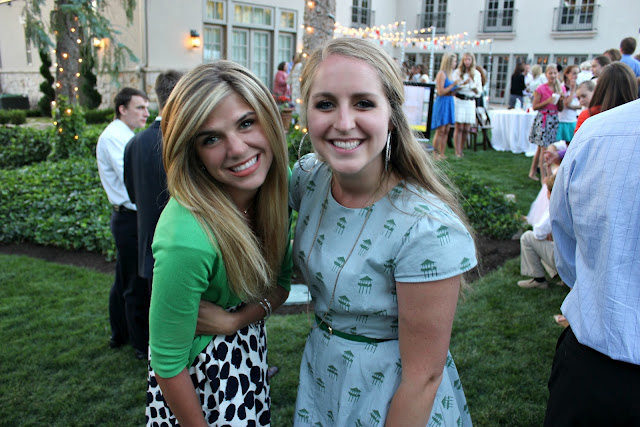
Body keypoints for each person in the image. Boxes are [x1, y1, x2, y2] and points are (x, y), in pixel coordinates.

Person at [292, 37, 477, 426]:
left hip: (393, 395)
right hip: (322, 376)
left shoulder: (427, 229)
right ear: (306, 111)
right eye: (325, 104)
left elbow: (423, 378)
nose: (344, 122)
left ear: (391, 115)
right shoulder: (308, 178)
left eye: (363, 103)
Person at [146, 61, 292, 425]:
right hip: (200, 386)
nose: (238, 149)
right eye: (211, 138)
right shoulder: (187, 239)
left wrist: (233, 322)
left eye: (246, 123)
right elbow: (167, 363)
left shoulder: (278, 189)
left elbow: (281, 286)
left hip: (248, 359)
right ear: (191, 151)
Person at [543, 98, 640, 427]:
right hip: (591, 362)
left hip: (589, 368)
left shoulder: (596, 133)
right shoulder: (595, 132)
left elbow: (566, 248)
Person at [96, 87, 150, 360]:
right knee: (135, 284)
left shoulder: (125, 135)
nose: (146, 113)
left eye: (147, 107)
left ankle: (119, 334)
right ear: (122, 109)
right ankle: (140, 345)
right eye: (140, 107)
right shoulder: (114, 138)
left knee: (123, 279)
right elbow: (133, 178)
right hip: (129, 219)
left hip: (129, 217)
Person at [124, 70, 183, 292]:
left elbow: (132, 195)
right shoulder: (185, 141)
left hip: (150, 250)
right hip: (183, 249)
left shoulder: (135, 143)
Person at [517, 174, 558, 289]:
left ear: (549, 193)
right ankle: (558, 275)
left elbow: (539, 233)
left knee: (528, 237)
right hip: (580, 258)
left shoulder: (555, 208)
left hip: (566, 260)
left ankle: (539, 280)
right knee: (546, 241)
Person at [527, 63, 565, 182]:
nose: (553, 75)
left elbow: (560, 109)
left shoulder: (560, 89)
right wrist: (548, 101)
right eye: (550, 73)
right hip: (543, 119)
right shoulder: (541, 88)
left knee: (542, 148)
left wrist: (560, 100)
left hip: (553, 119)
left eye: (555, 73)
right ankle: (544, 177)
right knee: (543, 148)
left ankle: (532, 172)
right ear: (546, 74)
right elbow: (535, 106)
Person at [430, 52, 460, 160]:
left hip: (449, 101)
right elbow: (440, 91)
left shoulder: (451, 74)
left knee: (447, 130)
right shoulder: (441, 74)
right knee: (440, 130)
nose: (455, 63)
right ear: (449, 62)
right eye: (454, 61)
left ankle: (442, 153)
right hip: (442, 102)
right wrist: (453, 85)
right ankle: (435, 153)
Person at [452, 52, 481, 158]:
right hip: (460, 100)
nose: (467, 62)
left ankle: (462, 149)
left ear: (472, 60)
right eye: (465, 59)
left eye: (469, 59)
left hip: (470, 101)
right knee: (459, 127)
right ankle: (457, 151)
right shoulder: (458, 72)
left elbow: (479, 91)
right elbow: (454, 87)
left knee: (466, 128)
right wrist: (463, 83)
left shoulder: (476, 73)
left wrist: (473, 85)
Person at [556, 65, 580, 142]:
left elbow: (582, 105)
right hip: (563, 119)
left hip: (573, 119)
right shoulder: (562, 87)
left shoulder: (578, 87)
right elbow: (566, 103)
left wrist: (571, 106)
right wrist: (572, 90)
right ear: (567, 74)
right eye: (574, 73)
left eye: (577, 73)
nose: (576, 76)